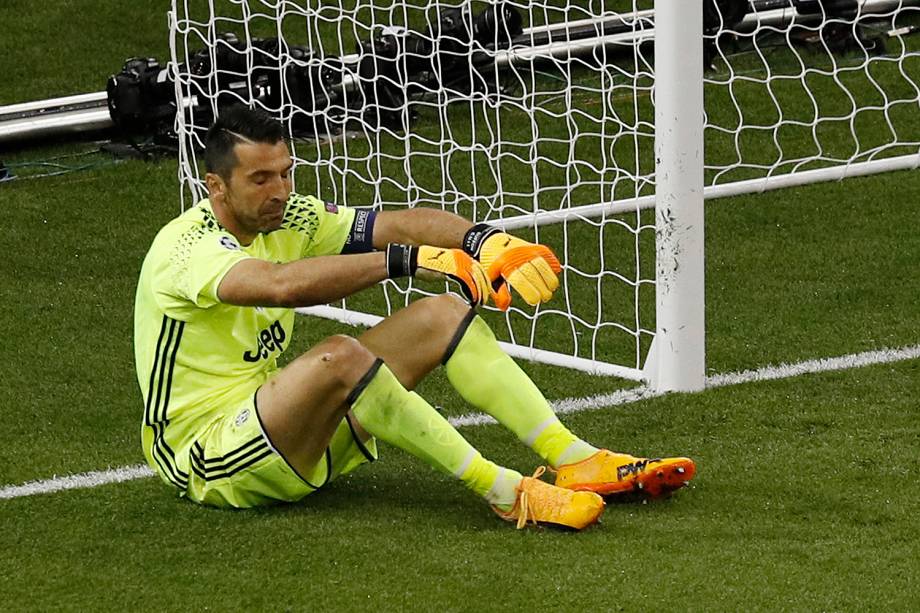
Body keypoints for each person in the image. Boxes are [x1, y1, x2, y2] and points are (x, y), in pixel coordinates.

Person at [133, 105, 695, 530]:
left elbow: (401, 223)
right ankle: (505, 491)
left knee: (443, 312)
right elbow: (278, 287)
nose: (280, 191)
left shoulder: (288, 217)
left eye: (286, 172)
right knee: (340, 357)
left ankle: (575, 459)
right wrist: (402, 263)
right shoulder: (186, 250)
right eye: (261, 179)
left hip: (289, 431)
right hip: (209, 459)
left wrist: (485, 241)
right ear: (216, 186)